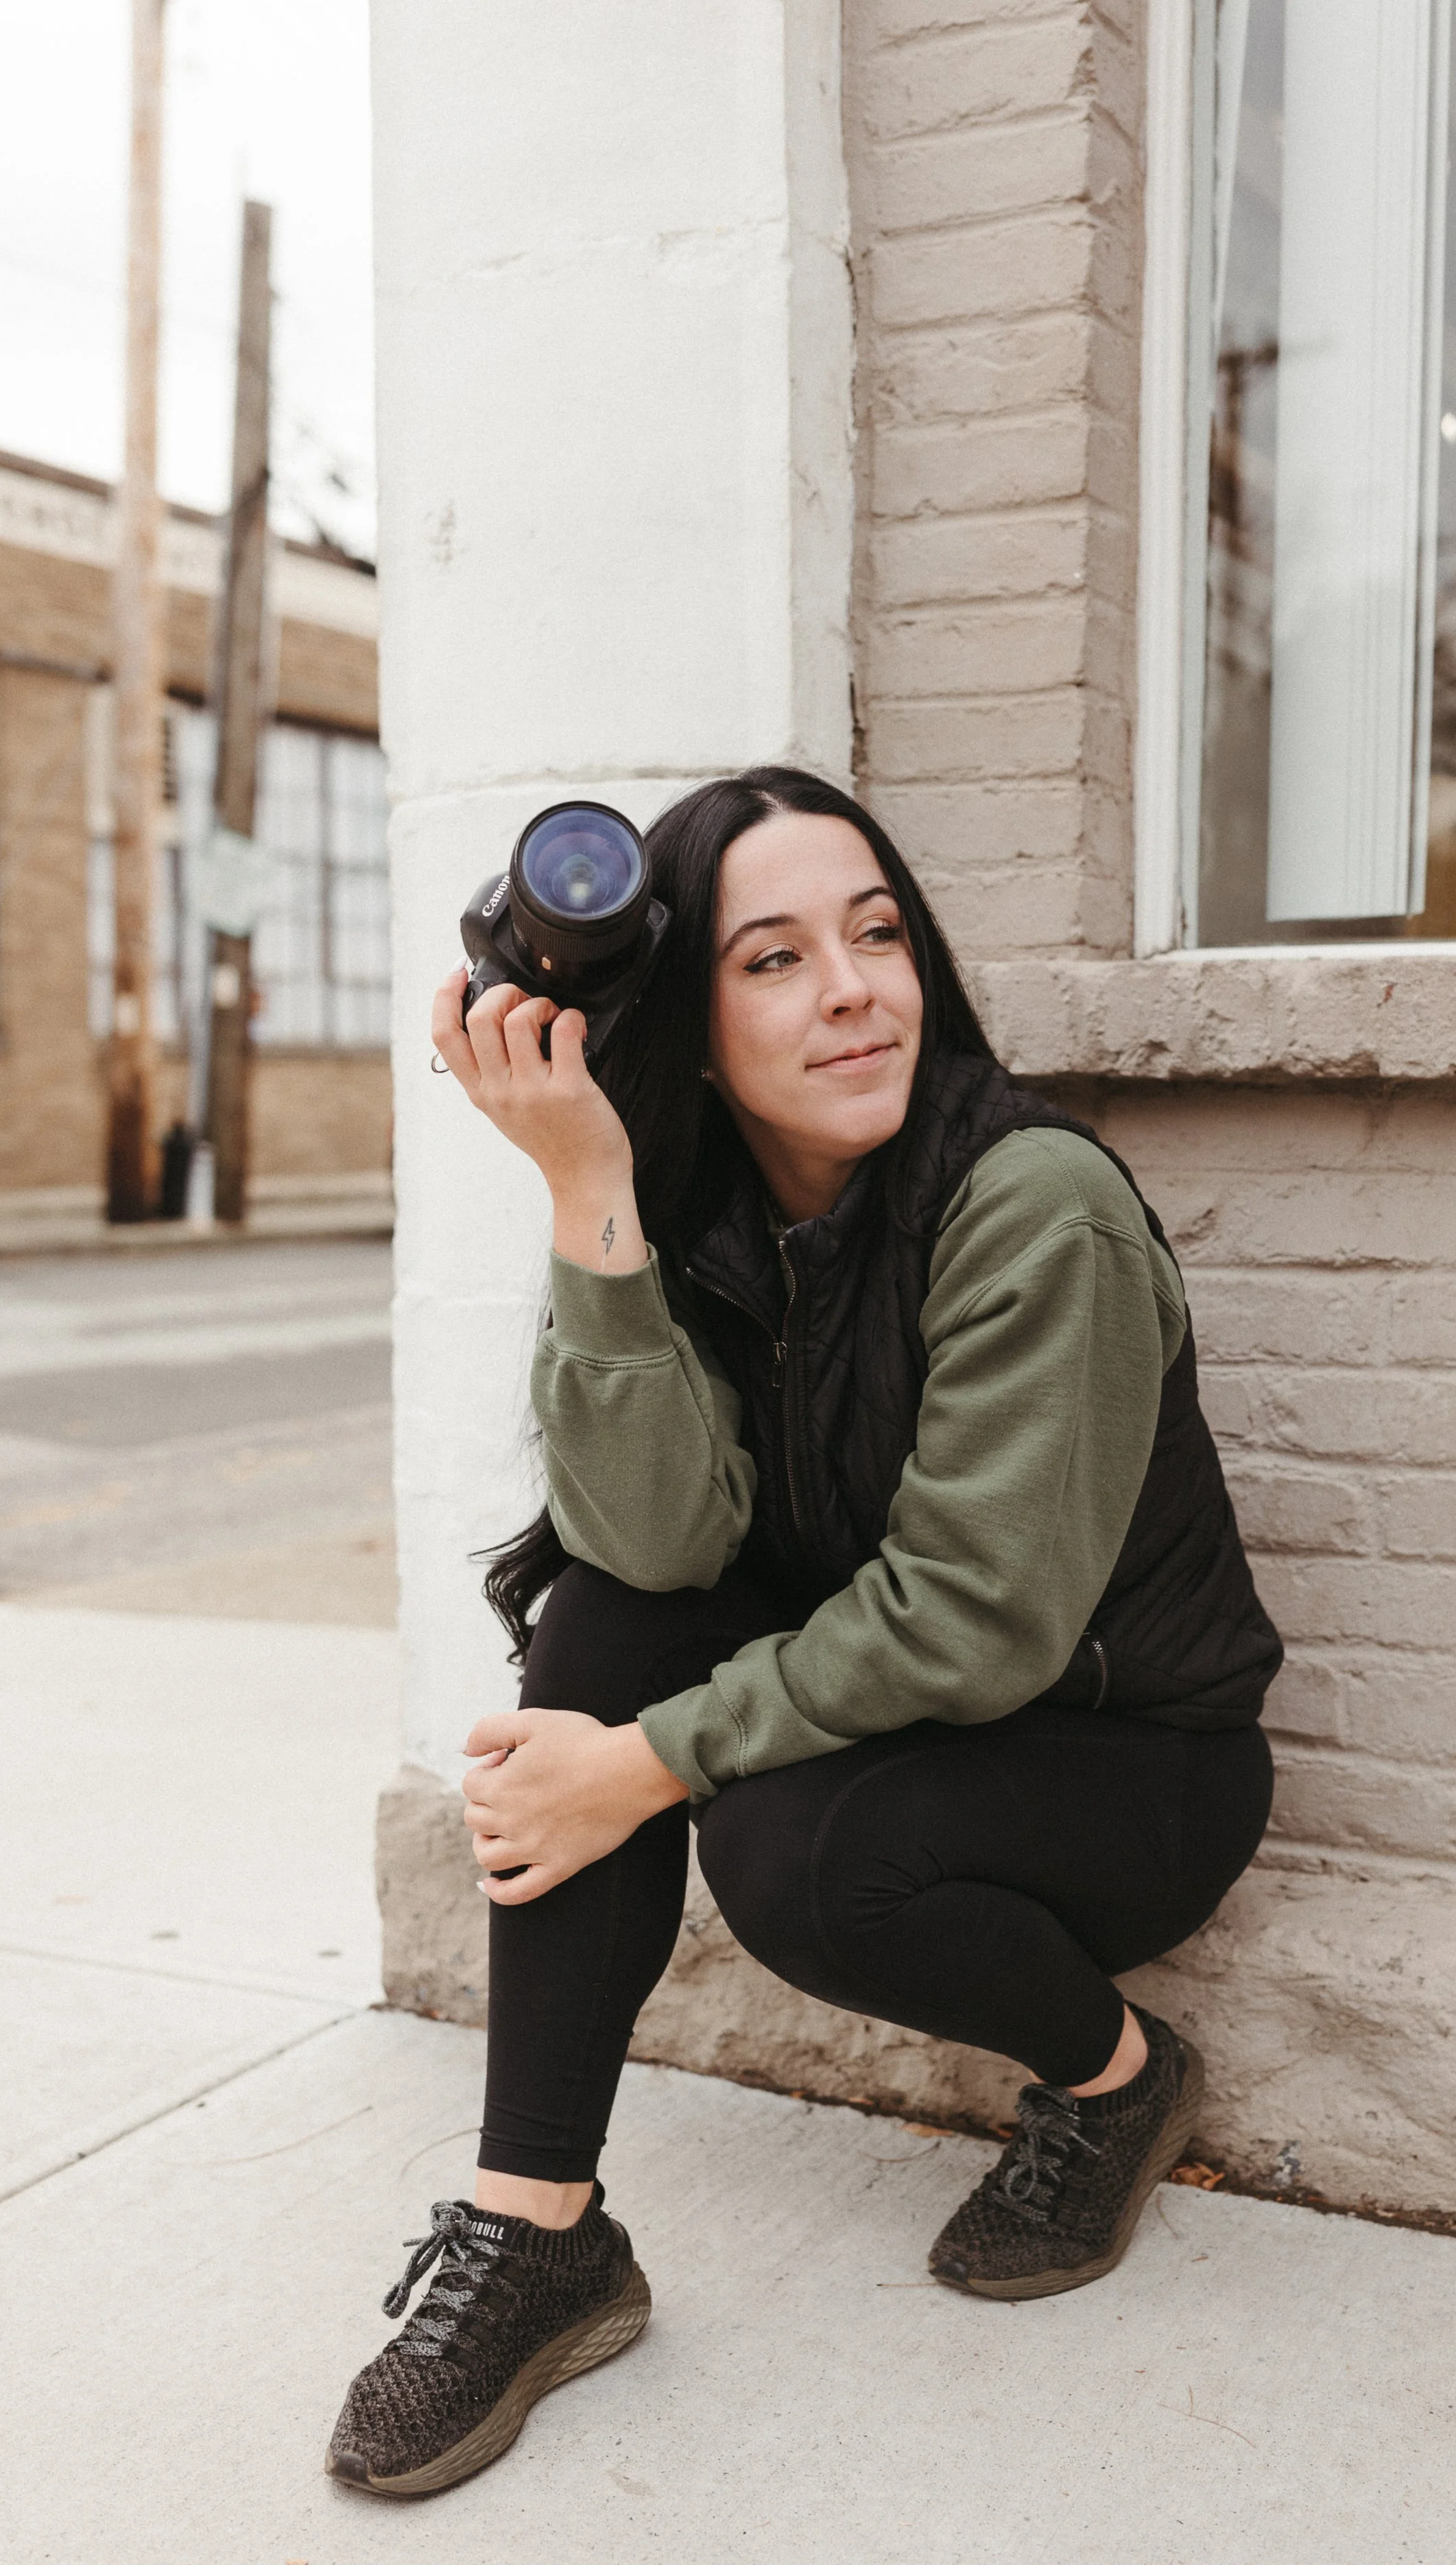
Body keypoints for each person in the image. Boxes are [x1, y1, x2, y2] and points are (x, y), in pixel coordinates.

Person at [326, 768, 1281, 2498]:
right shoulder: (709, 1217)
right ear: (686, 1027)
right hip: (915, 1698)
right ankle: (534, 2225)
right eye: (771, 958)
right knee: (604, 1617)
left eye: (877, 932)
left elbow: (976, 1621)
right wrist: (587, 1196)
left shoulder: (1031, 1201)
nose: (853, 987)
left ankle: (1119, 2080)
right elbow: (654, 1542)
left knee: (792, 1860)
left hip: (1125, 1760)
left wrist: (638, 1769)